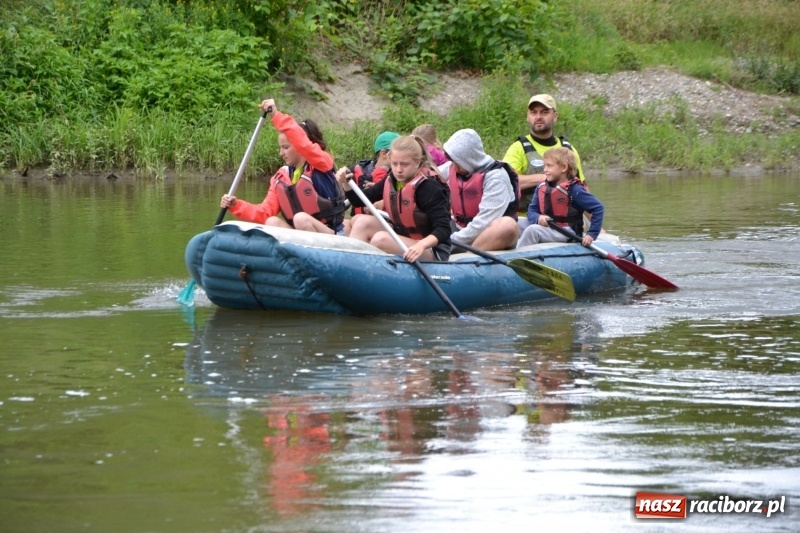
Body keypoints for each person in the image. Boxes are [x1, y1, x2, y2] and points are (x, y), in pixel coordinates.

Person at [220, 99, 346, 235]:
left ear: (298, 146)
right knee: (271, 221)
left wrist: (276, 115)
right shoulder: (281, 176)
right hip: (301, 235)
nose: (281, 153)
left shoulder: (322, 162)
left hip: (330, 235)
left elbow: (304, 144)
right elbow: (264, 213)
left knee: (301, 219)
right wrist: (236, 205)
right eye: (280, 148)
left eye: (285, 147)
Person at [335, 135, 452, 262]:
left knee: (380, 239)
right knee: (362, 222)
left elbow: (443, 229)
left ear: (417, 162)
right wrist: (345, 184)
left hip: (429, 249)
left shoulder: (429, 186)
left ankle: (363, 270)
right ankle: (350, 264)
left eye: (404, 164)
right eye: (394, 164)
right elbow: (360, 201)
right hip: (405, 237)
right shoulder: (392, 179)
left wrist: (420, 245)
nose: (398, 170)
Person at [502, 94, 586, 231]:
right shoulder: (518, 148)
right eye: (533, 112)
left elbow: (583, 190)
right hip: (528, 220)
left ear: (555, 116)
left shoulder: (568, 150)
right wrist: (545, 178)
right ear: (528, 117)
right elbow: (506, 182)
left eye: (545, 112)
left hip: (564, 223)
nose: (538, 116)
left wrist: (598, 227)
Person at [439, 128, 520, 251]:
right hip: (458, 230)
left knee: (507, 225)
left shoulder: (496, 177)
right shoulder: (455, 166)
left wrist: (447, 242)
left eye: (458, 163)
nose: (454, 167)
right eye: (453, 162)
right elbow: (429, 176)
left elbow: (483, 223)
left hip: (485, 237)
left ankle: (466, 257)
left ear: (469, 159)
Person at [516, 147, 603, 248]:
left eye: (549, 166)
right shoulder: (541, 187)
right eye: (544, 165)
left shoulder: (575, 190)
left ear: (564, 167)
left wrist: (591, 234)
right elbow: (531, 211)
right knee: (514, 221)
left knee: (533, 230)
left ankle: (516, 255)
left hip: (567, 231)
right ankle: (504, 250)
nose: (545, 170)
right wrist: (538, 217)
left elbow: (598, 208)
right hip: (548, 227)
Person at [348, 131, 398, 216]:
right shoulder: (360, 170)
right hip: (361, 218)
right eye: (397, 151)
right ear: (384, 153)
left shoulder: (398, 174)